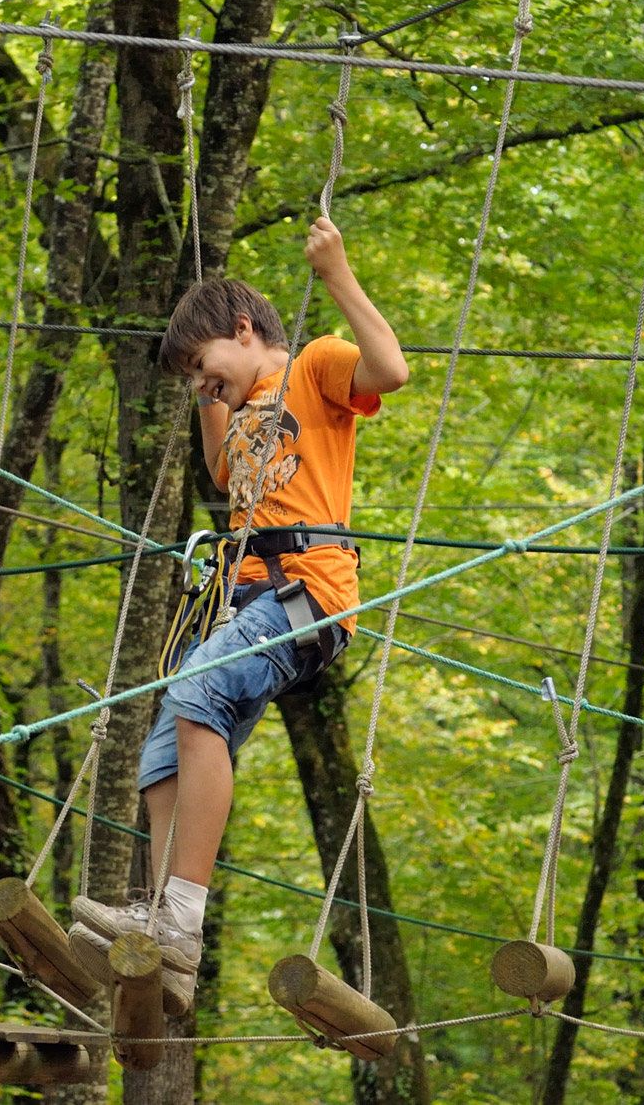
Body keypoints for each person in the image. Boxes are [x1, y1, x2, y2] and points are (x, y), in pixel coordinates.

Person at [69, 216, 409, 1006]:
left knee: (198, 697)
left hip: (309, 591)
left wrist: (337, 274)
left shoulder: (315, 367)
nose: (197, 378)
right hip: (250, 595)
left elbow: (389, 370)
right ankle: (164, 935)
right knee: (165, 748)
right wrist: (213, 391)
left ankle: (180, 920)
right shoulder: (247, 400)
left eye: (202, 361)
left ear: (247, 329)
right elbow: (227, 477)